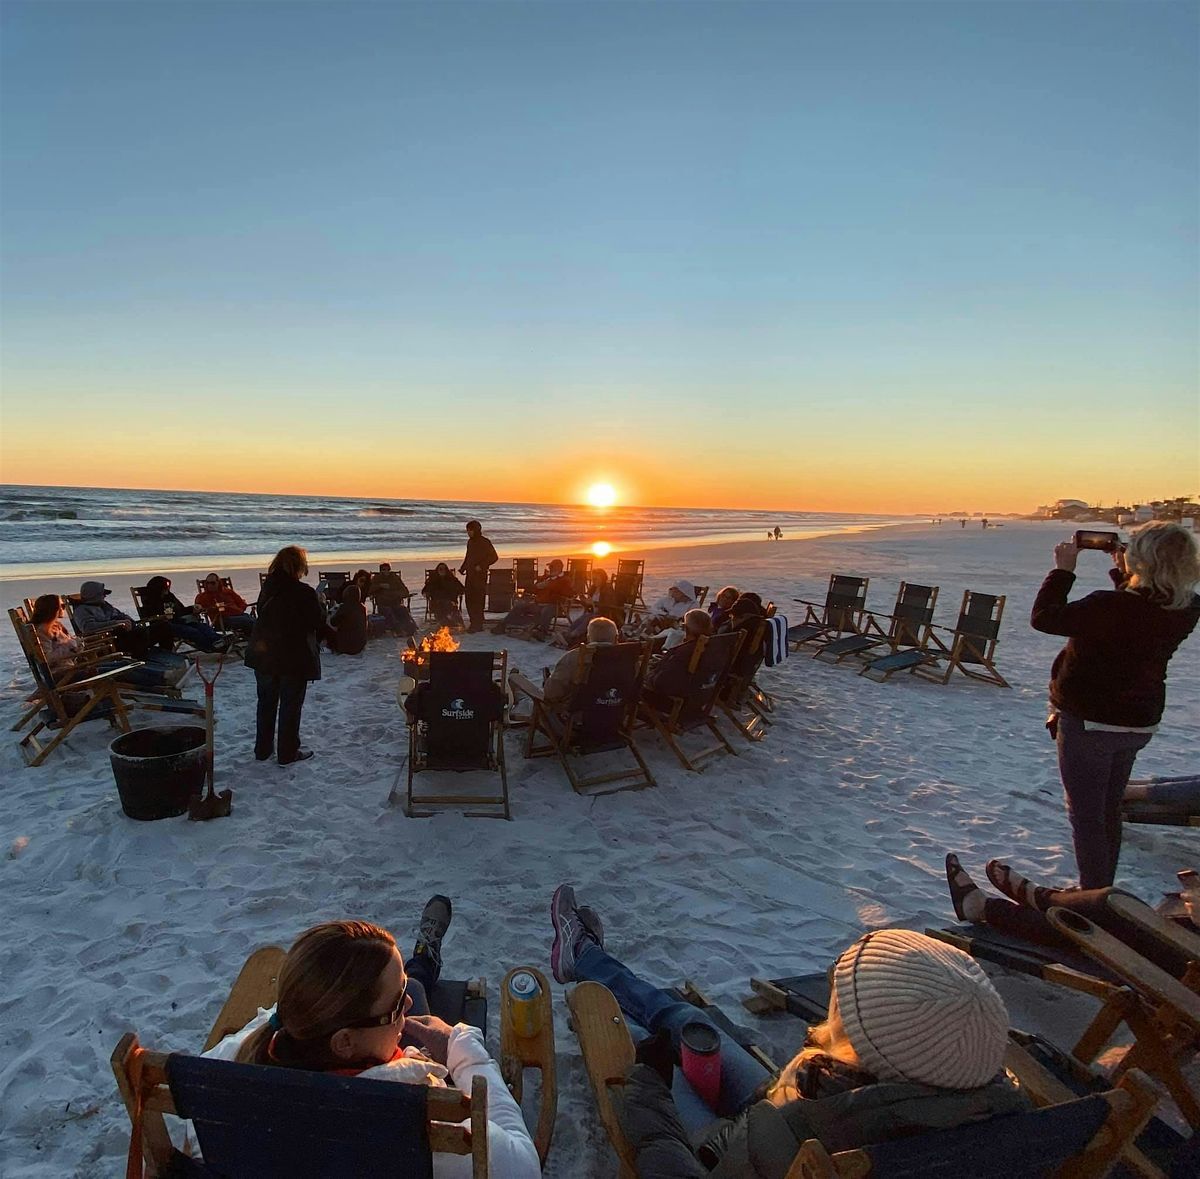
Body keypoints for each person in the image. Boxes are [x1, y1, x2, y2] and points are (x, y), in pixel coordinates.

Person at [549, 885, 1020, 1177]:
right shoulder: (1004, 1112)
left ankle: (588, 960)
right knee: (692, 1021)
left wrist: (649, 1088)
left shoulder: (819, 1138)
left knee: (654, 1052)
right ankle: (586, 958)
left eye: (844, 1007)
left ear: (868, 1047)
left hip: (723, 1150)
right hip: (774, 1110)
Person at [203, 904, 539, 1177]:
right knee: (420, 998)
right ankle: (420, 965)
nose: (404, 1005)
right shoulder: (421, 1125)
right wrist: (463, 1049)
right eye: (396, 1004)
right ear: (344, 1042)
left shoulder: (217, 1085)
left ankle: (419, 966)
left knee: (417, 991)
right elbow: (524, 1167)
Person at [1031, 522, 1200, 888]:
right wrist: (1125, 573)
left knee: (1087, 816)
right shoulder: (1186, 608)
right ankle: (1102, 886)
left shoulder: (1108, 606)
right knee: (1107, 810)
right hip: (1137, 724)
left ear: (1141, 559)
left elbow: (1044, 618)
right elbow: (1136, 612)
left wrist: (1062, 570)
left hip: (1091, 723)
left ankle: (1096, 896)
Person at [945, 854, 1192, 980]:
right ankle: (992, 907)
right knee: (1114, 921)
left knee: (1111, 906)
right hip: (1191, 966)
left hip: (1189, 979)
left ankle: (1042, 899)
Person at [246, 545, 335, 765]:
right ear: (299, 567)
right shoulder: (304, 592)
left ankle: (263, 750)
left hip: (263, 653)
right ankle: (287, 753)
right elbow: (315, 622)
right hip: (292, 656)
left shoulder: (268, 588)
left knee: (266, 703)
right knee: (290, 706)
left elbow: (264, 614)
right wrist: (321, 604)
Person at [29, 593, 185, 689]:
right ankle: (164, 680)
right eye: (61, 605)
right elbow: (47, 659)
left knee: (122, 663)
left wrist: (76, 645)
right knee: (119, 669)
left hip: (73, 667)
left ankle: (165, 676)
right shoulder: (41, 631)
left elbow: (69, 646)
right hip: (64, 676)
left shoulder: (55, 626)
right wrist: (72, 645)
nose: (63, 607)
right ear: (52, 609)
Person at [72, 580, 180, 662]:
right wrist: (116, 624)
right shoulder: (82, 610)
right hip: (109, 641)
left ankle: (167, 656)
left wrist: (127, 620)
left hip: (126, 634)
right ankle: (143, 660)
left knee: (163, 626)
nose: (105, 596)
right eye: (102, 594)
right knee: (140, 634)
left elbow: (120, 614)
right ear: (93, 595)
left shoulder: (104, 605)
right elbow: (88, 628)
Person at [540, 616, 620, 707]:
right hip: (618, 712)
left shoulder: (574, 657)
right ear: (616, 638)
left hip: (580, 715)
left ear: (588, 637)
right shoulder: (630, 658)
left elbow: (552, 693)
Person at [641, 610, 712, 708]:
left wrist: (647, 676)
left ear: (686, 629)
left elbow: (661, 682)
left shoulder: (684, 652)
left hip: (667, 700)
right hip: (699, 699)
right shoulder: (712, 648)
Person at [142, 576, 226, 652]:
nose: (167, 591)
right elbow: (150, 617)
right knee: (192, 631)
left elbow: (181, 610)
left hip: (179, 620)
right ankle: (213, 647)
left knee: (202, 626)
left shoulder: (169, 597)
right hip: (165, 625)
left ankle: (219, 641)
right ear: (158, 589)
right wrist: (164, 616)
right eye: (165, 589)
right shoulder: (150, 601)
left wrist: (192, 608)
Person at [492, 559, 572, 638]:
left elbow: (569, 593)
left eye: (551, 567)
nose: (550, 569)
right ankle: (503, 625)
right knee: (519, 606)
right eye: (550, 567)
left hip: (555, 605)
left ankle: (542, 632)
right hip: (538, 604)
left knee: (546, 610)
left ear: (558, 568)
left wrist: (551, 586)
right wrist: (537, 586)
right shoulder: (545, 578)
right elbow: (529, 590)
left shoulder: (565, 580)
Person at [557, 568, 624, 647]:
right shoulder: (593, 589)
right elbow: (588, 605)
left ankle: (571, 636)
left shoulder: (607, 589)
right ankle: (568, 634)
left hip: (604, 614)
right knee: (582, 618)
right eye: (593, 579)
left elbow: (608, 605)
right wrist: (583, 601)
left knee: (588, 619)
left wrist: (593, 603)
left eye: (596, 579)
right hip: (593, 612)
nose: (594, 581)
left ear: (602, 578)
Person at [459, 520, 498, 633]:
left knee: (478, 599)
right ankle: (473, 622)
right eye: (467, 530)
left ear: (476, 530)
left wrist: (482, 565)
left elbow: (494, 557)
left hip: (480, 576)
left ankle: (478, 624)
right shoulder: (470, 542)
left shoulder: (485, 542)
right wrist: (463, 567)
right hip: (470, 575)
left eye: (470, 530)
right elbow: (468, 557)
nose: (468, 532)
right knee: (469, 599)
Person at [370, 563, 418, 637]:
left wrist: (397, 594)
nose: (386, 571)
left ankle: (410, 629)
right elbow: (369, 590)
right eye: (384, 570)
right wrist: (380, 586)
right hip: (383, 604)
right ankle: (398, 630)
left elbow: (405, 590)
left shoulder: (395, 578)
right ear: (380, 571)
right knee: (389, 612)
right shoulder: (376, 579)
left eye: (388, 569)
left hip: (395, 602)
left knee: (403, 610)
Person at [329, 583, 368, 655]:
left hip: (346, 645)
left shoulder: (344, 607)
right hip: (360, 644)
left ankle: (331, 647)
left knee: (328, 629)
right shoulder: (362, 608)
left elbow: (333, 622)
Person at [422, 563, 466, 628]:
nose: (442, 570)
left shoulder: (452, 579)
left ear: (446, 570)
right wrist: (427, 593)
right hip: (437, 602)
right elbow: (424, 591)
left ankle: (456, 625)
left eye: (444, 569)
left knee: (450, 607)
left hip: (450, 602)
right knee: (442, 607)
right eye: (440, 569)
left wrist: (458, 592)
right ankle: (448, 626)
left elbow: (462, 589)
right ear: (437, 570)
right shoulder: (432, 580)